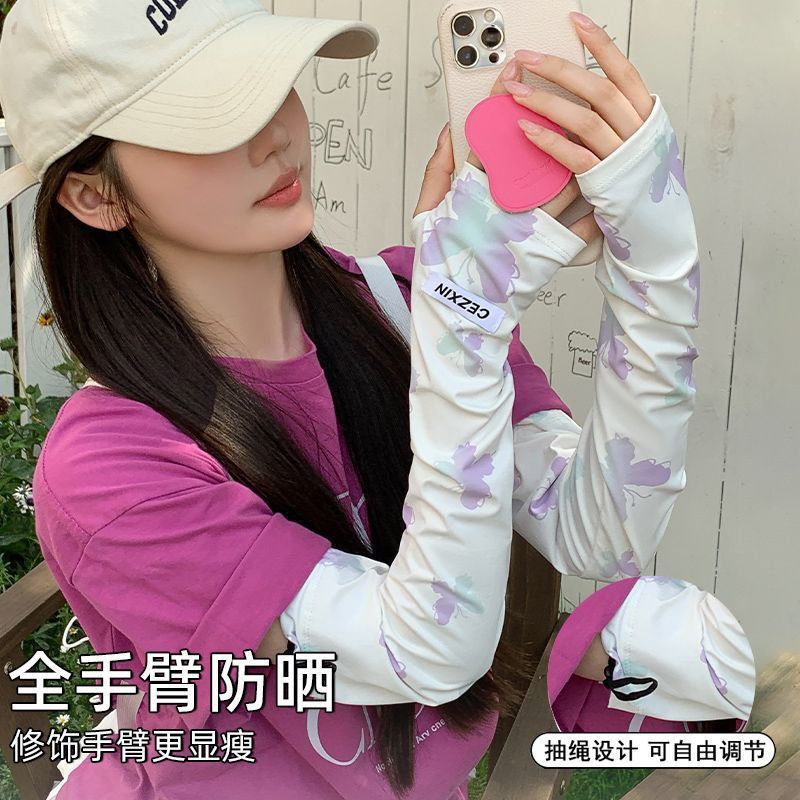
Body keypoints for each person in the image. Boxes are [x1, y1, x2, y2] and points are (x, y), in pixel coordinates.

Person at [0, 2, 700, 798]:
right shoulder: (111, 466)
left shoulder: (406, 303)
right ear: (95, 196)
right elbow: (425, 652)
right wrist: (463, 338)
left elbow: (603, 531)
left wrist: (656, 257)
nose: (273, 137)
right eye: (207, 120)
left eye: (271, 85)